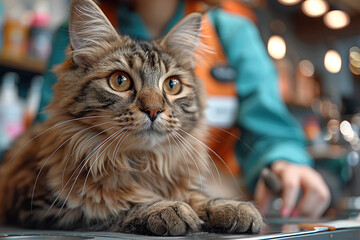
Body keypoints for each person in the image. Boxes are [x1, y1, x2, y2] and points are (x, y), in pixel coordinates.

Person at [38, 0, 330, 218]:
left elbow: (269, 125)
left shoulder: (232, 30)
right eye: (120, 80)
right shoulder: (80, 23)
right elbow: (49, 132)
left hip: (216, 192)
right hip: (93, 187)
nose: (153, 107)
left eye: (173, 85)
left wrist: (285, 161)